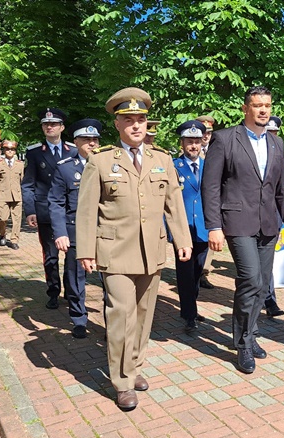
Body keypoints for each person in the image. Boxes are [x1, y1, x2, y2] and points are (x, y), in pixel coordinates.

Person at [76, 87, 192, 411]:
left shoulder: (162, 160)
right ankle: (123, 381)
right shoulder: (100, 162)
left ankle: (135, 365)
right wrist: (85, 250)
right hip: (114, 252)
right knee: (121, 316)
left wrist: (182, 241)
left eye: (141, 119)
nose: (137, 125)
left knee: (144, 315)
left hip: (151, 251)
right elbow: (86, 210)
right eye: (129, 119)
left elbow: (174, 204)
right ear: (117, 124)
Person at [201, 86, 284, 374]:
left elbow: (282, 189)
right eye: (257, 105)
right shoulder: (225, 139)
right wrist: (214, 226)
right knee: (251, 279)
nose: (264, 110)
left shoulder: (275, 143)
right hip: (237, 222)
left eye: (267, 105)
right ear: (246, 108)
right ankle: (242, 344)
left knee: (263, 281)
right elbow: (211, 186)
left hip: (268, 223)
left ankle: (251, 332)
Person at [48, 119, 102, 339]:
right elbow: (56, 202)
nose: (92, 143)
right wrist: (60, 233)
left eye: (95, 139)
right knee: (75, 277)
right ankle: (79, 318)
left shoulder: (111, 164)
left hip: (106, 231)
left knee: (111, 278)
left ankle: (112, 319)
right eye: (86, 139)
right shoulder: (65, 168)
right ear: (75, 142)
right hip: (75, 231)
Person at [22, 108, 78, 310]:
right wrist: (30, 210)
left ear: (62, 127)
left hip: (70, 212)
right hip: (46, 212)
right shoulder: (35, 153)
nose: (49, 127)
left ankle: (72, 293)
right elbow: (28, 184)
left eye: (54, 124)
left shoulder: (73, 150)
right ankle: (53, 291)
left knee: (72, 255)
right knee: (51, 256)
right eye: (46, 124)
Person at [172, 120, 210, 333]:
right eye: (189, 141)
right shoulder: (173, 166)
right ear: (182, 143)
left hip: (203, 227)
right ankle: (189, 314)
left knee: (197, 271)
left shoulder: (210, 166)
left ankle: (191, 306)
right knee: (185, 273)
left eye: (197, 141)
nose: (194, 145)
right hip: (182, 228)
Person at [262, 115, 284, 318]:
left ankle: (269, 300)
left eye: (274, 133)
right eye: (268, 133)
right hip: (251, 218)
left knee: (267, 261)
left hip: (273, 216)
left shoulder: (279, 151)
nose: (272, 136)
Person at [0, 140, 25, 250]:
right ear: (4, 151)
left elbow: (23, 181)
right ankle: (2, 234)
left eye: (12, 149)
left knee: (17, 219)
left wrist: (25, 194)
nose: (10, 151)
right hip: (3, 195)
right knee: (2, 218)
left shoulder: (20, 165)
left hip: (17, 196)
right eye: (7, 149)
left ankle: (14, 240)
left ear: (15, 151)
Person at [196, 114, 216, 289]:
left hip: (211, 204)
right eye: (203, 132)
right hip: (195, 202)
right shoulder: (191, 150)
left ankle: (204, 272)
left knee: (210, 239)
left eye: (209, 132)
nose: (206, 136)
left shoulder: (216, 150)